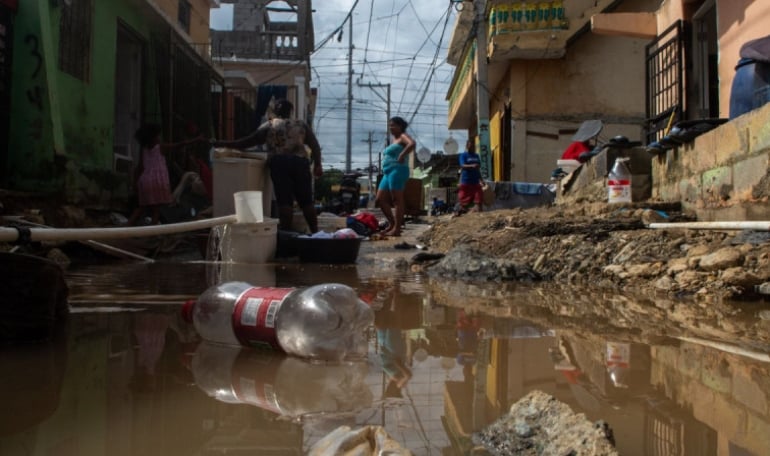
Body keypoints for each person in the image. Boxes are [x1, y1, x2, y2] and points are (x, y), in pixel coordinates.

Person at [213, 99, 323, 233]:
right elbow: (315, 146)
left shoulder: (269, 125)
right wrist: (318, 164)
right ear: (291, 112)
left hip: (279, 163)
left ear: (275, 111)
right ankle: (317, 233)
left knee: (285, 201)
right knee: (306, 201)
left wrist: (221, 143)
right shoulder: (301, 125)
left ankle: (286, 235)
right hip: (300, 163)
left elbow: (246, 142)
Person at [127, 124, 203, 226]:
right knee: (156, 209)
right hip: (156, 182)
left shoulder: (144, 150)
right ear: (153, 138)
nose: (159, 138)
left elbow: (139, 168)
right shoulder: (160, 148)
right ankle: (153, 231)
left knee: (142, 206)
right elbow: (180, 144)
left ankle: (127, 225)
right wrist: (197, 139)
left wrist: (135, 182)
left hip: (144, 181)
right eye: (158, 136)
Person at [375, 116, 416, 236]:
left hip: (398, 170)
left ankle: (397, 229)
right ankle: (392, 224)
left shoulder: (403, 136)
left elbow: (412, 144)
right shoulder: (393, 140)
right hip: (387, 172)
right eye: (390, 125)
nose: (391, 128)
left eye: (393, 125)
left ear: (400, 126)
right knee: (380, 200)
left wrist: (402, 154)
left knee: (397, 200)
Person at [457, 138, 484, 214]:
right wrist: (472, 166)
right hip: (466, 182)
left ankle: (479, 215)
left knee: (479, 200)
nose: (471, 147)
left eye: (472, 146)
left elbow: (478, 169)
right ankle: (461, 214)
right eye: (469, 145)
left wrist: (481, 180)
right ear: (467, 146)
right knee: (464, 203)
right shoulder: (463, 155)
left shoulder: (476, 156)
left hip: (475, 182)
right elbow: (462, 165)